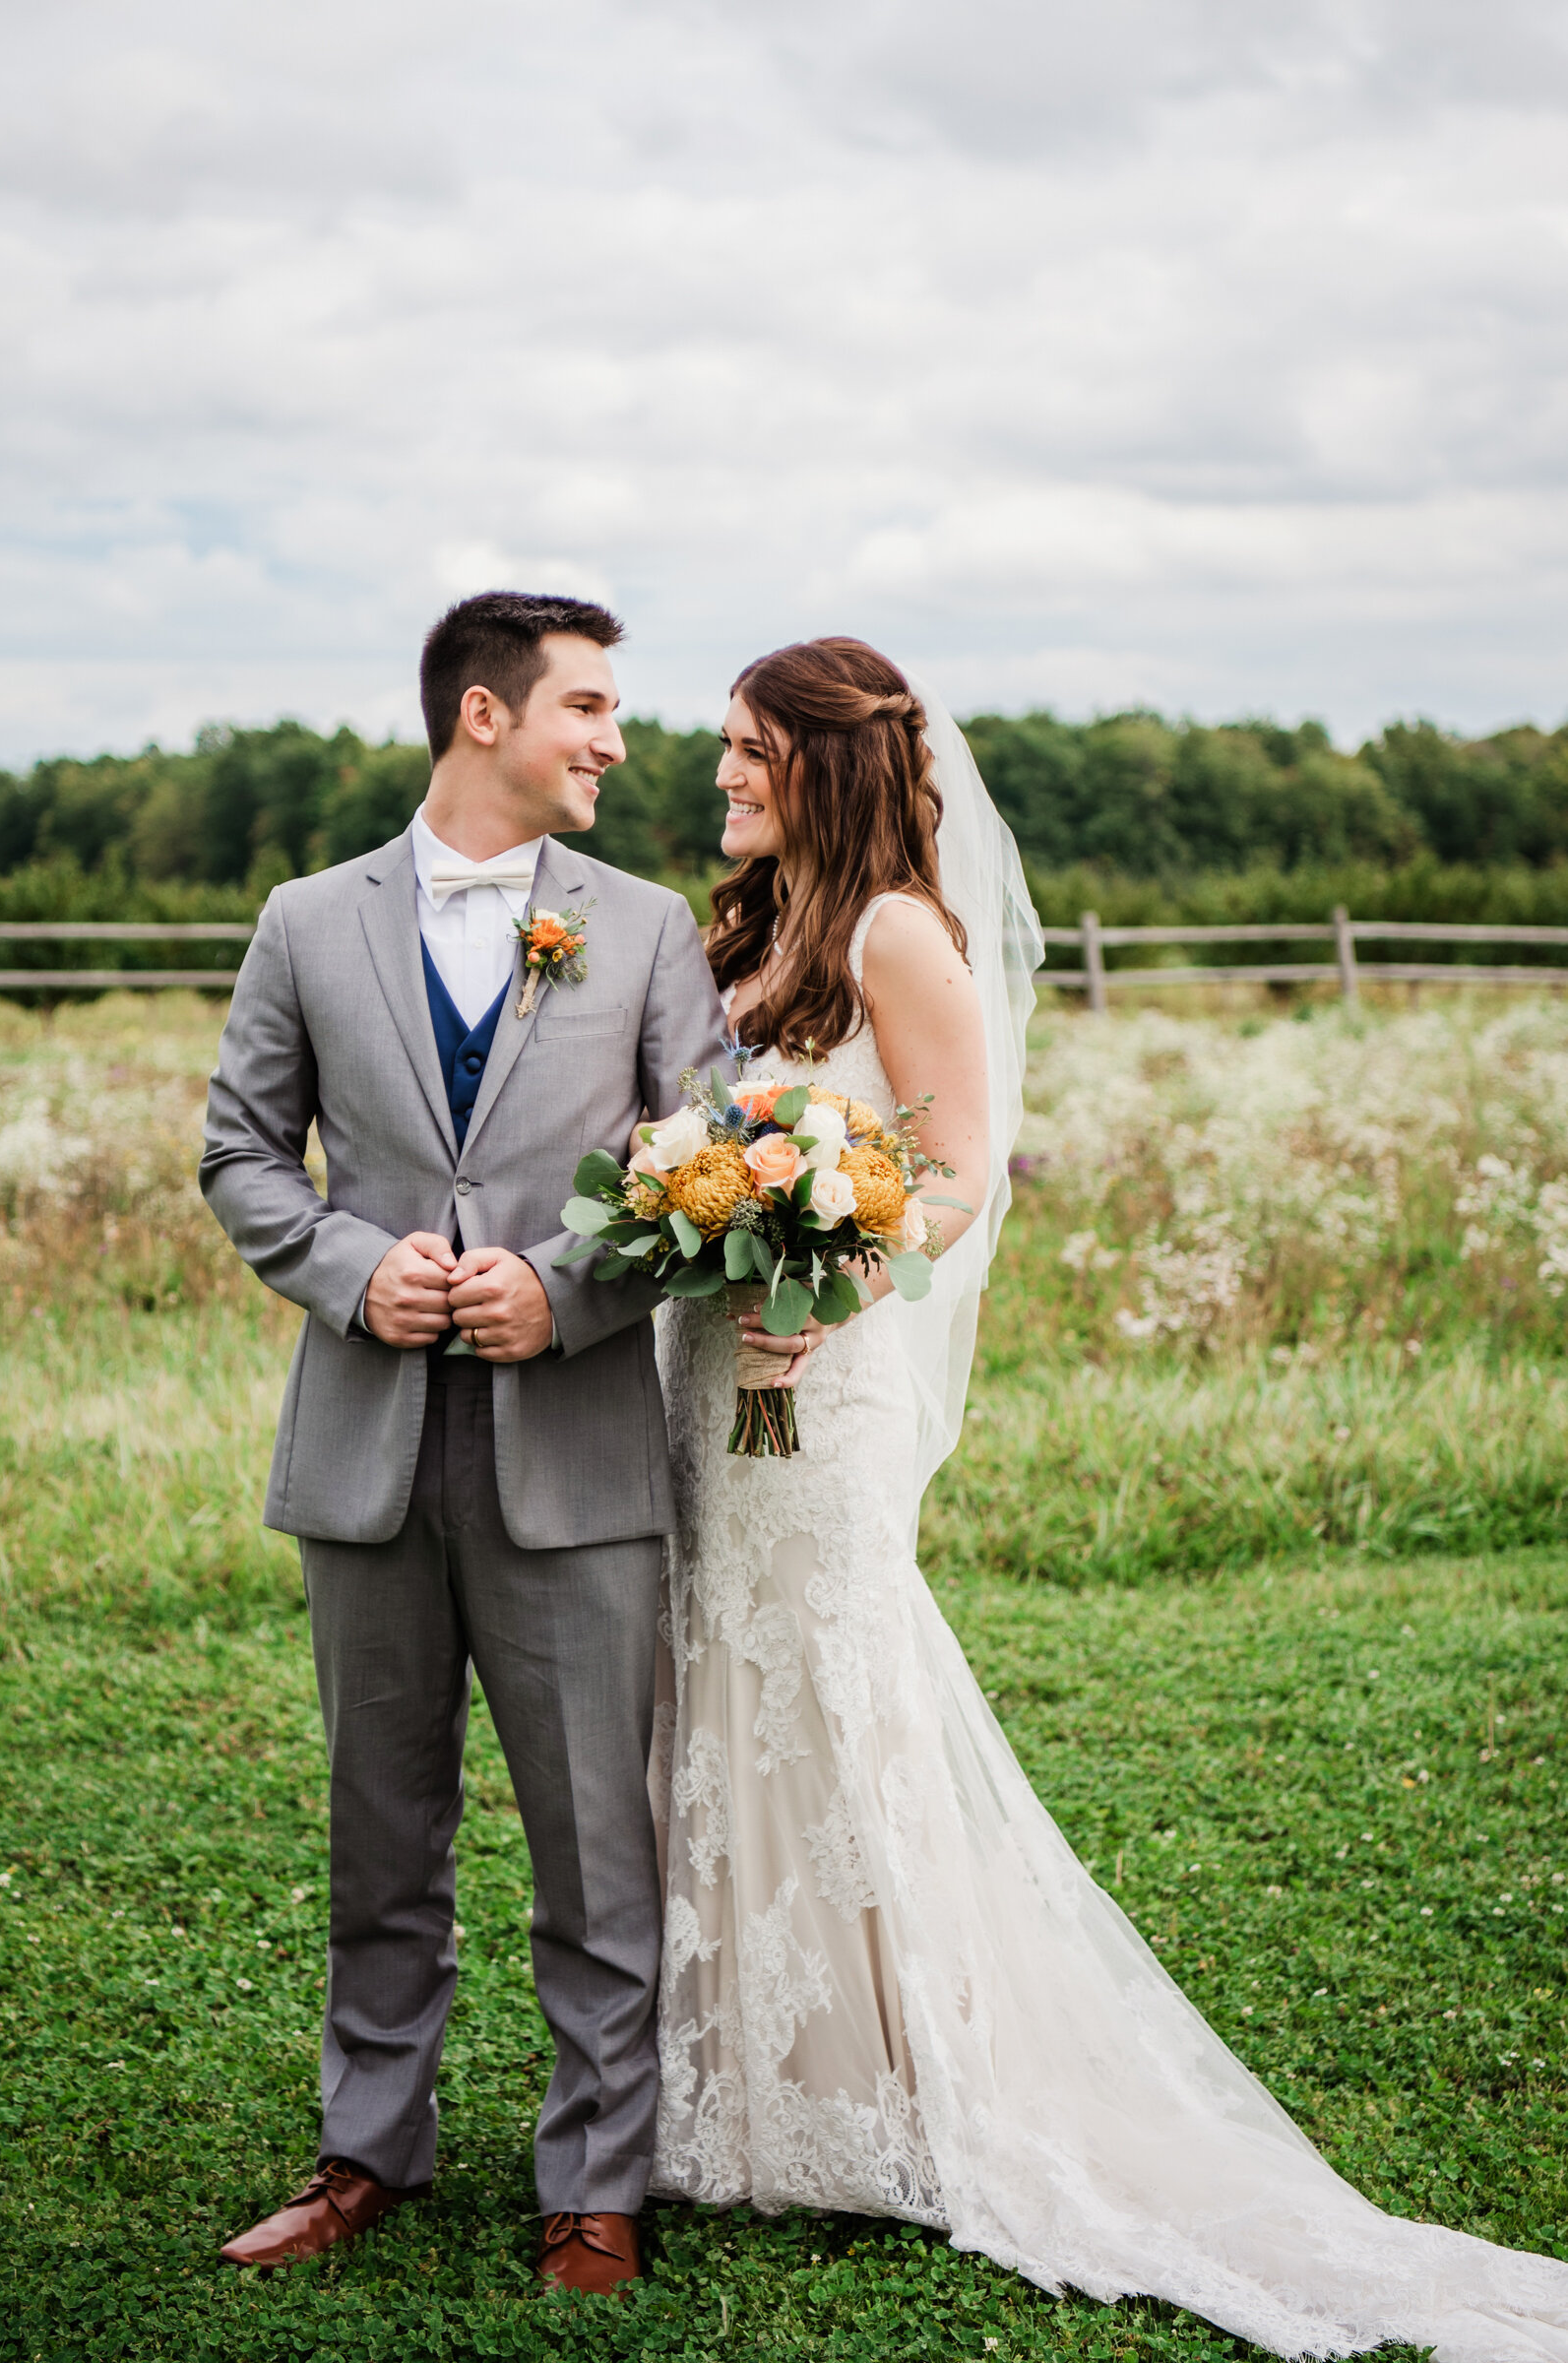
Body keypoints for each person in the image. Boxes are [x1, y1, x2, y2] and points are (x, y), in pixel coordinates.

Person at [648, 635, 1568, 2362]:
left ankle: (908, 2086)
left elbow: (956, 1171)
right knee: (724, 1686)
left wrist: (825, 1282)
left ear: (824, 761)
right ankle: (748, 2092)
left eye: (746, 750)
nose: (720, 777)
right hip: (711, 1382)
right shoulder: (751, 928)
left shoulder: (896, 933)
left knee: (836, 1698)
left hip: (812, 1384)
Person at [200, 591, 727, 2296]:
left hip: (571, 1455)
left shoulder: (646, 930)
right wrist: (356, 1275)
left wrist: (564, 1291)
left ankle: (597, 2184)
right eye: (587, 705)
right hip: (360, 1449)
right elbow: (241, 1157)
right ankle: (366, 2154)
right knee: (381, 1826)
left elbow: (704, 1174)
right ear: (483, 717)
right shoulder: (304, 920)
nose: (616, 739)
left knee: (595, 1841)